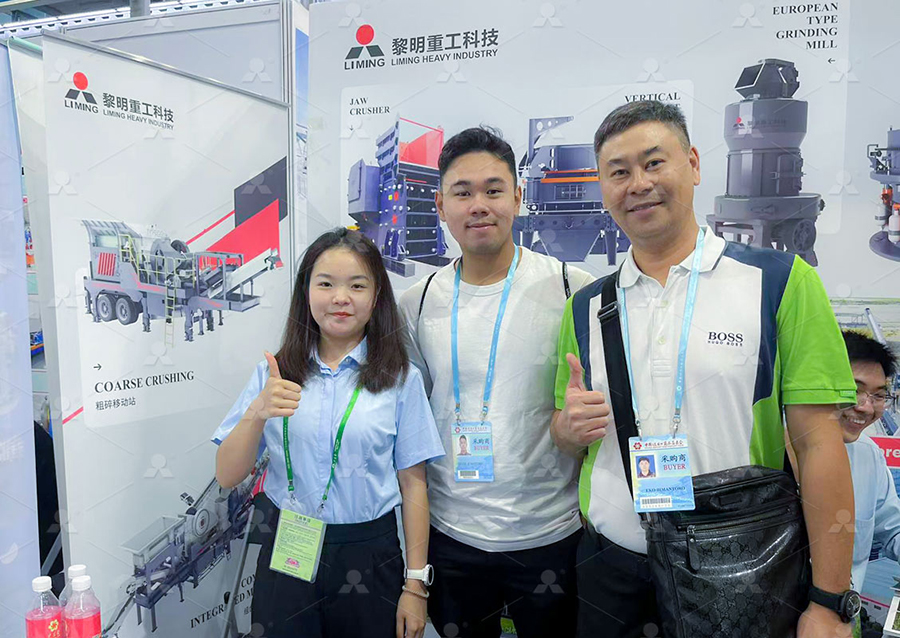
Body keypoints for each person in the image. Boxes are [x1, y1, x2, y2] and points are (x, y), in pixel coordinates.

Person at [552, 100, 858, 638]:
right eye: (618, 172)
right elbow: (565, 433)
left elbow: (819, 445)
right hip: (610, 567)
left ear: (693, 164)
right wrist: (567, 428)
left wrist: (828, 602)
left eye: (654, 163)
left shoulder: (779, 281)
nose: (638, 184)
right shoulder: (586, 306)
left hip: (736, 569)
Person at [398, 127, 594, 638]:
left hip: (550, 534)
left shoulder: (572, 289)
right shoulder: (417, 302)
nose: (479, 205)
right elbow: (412, 424)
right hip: (452, 537)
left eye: (493, 190)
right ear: (440, 205)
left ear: (518, 197)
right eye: (462, 192)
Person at [213, 228, 444, 638]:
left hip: (367, 554)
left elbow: (414, 485)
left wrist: (415, 585)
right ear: (306, 292)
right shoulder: (275, 374)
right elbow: (228, 475)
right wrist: (257, 411)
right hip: (287, 547)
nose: (341, 298)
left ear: (376, 296)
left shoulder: (399, 379)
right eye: (325, 284)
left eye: (357, 285)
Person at [830, 331, 900, 592]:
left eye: (878, 396)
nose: (866, 407)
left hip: (843, 611)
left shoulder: (868, 455)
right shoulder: (768, 453)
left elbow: (892, 529)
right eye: (853, 390)